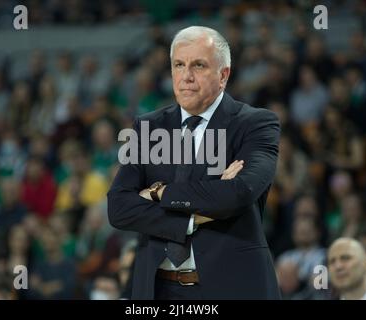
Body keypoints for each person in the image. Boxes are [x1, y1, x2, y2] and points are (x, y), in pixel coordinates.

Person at [107, 26, 281, 299]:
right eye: (179, 65)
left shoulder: (255, 124)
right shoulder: (148, 127)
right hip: (156, 288)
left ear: (223, 75)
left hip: (231, 286)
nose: (186, 77)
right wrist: (192, 218)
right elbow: (118, 208)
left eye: (198, 65)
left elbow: (239, 193)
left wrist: (158, 193)